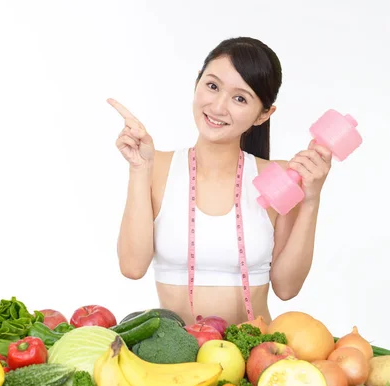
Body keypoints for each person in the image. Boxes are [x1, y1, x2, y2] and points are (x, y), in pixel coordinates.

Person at [108, 36, 333, 327]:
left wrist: (311, 200)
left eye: (240, 98)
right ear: (197, 83)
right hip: (178, 360)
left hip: (254, 356)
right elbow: (132, 267)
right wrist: (139, 169)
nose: (218, 106)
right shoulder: (155, 166)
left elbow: (286, 288)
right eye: (212, 86)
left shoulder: (276, 177)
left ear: (264, 114)